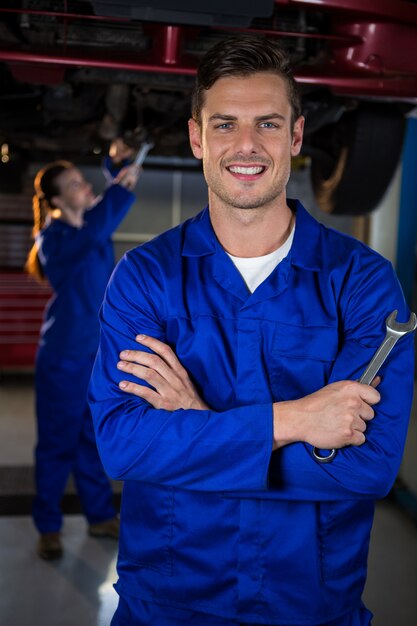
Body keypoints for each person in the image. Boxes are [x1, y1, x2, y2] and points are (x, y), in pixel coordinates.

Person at [88, 35, 415, 626]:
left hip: (310, 605)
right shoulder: (145, 277)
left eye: (267, 123)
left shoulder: (363, 283)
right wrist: (292, 422)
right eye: (224, 125)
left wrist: (195, 427)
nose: (245, 145)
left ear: (295, 136)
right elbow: (123, 444)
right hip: (167, 602)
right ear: (197, 138)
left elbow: (367, 467)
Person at [26, 141, 141, 560]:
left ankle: (97, 516)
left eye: (82, 178)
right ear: (57, 201)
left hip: (97, 357)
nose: (84, 185)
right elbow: (98, 226)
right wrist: (120, 187)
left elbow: (101, 215)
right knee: (57, 444)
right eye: (74, 184)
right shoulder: (53, 239)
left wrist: (118, 165)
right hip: (63, 359)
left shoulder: (89, 224)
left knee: (93, 440)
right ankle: (48, 526)